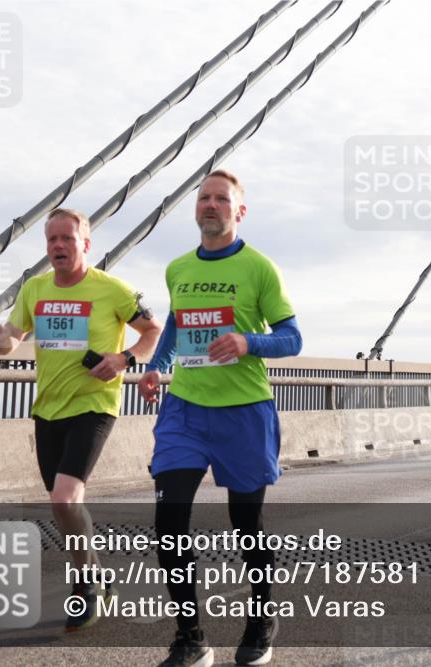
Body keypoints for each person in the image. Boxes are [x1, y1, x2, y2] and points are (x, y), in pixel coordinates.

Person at [138, 170, 302, 667]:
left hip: (243, 414)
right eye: (204, 198)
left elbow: (292, 339)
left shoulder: (259, 268)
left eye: (222, 199)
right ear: (196, 209)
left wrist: (247, 341)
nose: (211, 205)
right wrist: (154, 366)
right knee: (169, 521)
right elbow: (175, 325)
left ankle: (260, 620)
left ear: (239, 211)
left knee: (245, 523)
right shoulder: (178, 269)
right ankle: (191, 637)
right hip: (184, 412)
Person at [0, 208, 163, 631]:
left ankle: (85, 587)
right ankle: (98, 575)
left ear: (86, 244)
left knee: (64, 499)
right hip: (47, 408)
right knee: (66, 507)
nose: (59, 246)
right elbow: (14, 336)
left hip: (95, 405)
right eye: (52, 241)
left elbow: (154, 331)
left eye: (67, 238)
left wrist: (124, 358)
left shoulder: (113, 290)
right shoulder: (35, 288)